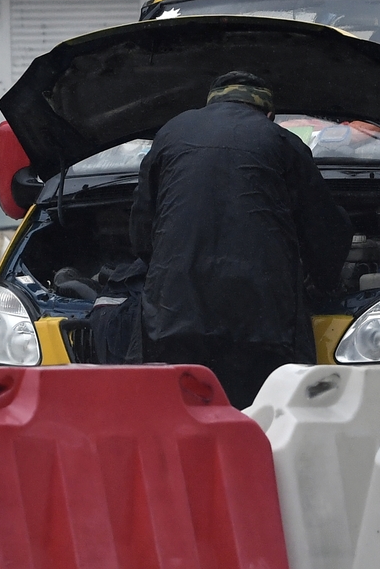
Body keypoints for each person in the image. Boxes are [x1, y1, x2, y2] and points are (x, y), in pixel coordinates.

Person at [130, 70, 352, 407]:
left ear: (209, 104)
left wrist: (165, 276)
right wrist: (324, 284)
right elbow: (324, 230)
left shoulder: (170, 134)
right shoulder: (280, 141)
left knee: (185, 420)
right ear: (268, 113)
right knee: (259, 420)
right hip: (259, 324)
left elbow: (141, 231)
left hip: (173, 318)